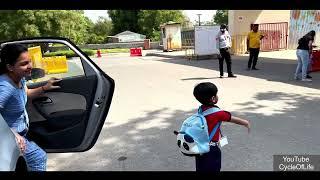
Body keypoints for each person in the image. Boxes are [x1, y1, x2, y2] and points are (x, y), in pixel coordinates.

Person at [0, 43, 61, 171]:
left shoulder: (20, 78)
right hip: (8, 138)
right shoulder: (5, 87)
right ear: (10, 67)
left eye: (30, 61)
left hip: (20, 135)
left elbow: (26, 93)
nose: (30, 66)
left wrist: (45, 87)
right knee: (38, 157)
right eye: (24, 64)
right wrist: (13, 134)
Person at [193, 82, 250, 172]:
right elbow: (233, 119)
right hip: (211, 149)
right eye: (216, 94)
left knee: (201, 168)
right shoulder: (219, 113)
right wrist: (246, 123)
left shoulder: (201, 109)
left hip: (200, 147)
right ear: (213, 98)